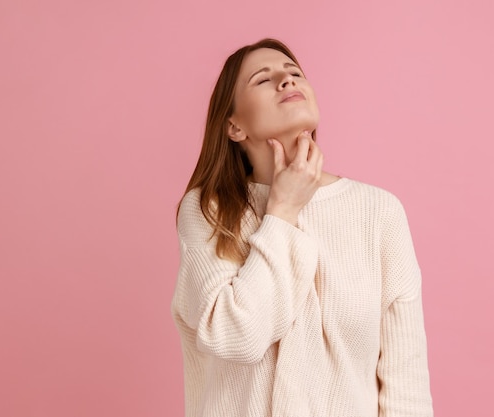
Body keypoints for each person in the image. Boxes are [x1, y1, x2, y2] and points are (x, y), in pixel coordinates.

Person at [171, 38, 433, 417]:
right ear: (233, 126)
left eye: (294, 73)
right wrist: (282, 211)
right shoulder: (209, 210)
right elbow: (238, 337)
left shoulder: (379, 212)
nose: (286, 81)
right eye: (263, 79)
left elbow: (405, 382)